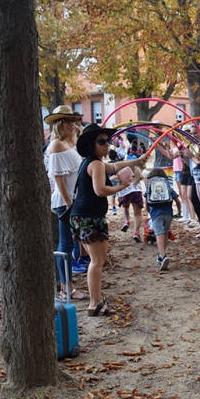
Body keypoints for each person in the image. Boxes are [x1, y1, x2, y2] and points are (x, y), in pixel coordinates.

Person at [69, 123, 146, 316]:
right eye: (101, 141)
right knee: (97, 261)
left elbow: (115, 166)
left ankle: (97, 301)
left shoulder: (93, 163)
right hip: (89, 218)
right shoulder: (94, 164)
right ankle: (95, 303)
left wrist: (137, 161)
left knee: (97, 260)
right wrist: (121, 187)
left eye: (108, 141)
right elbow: (100, 190)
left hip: (82, 217)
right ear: (91, 144)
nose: (107, 145)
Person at [45, 105, 88, 298]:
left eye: (74, 121)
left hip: (72, 200)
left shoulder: (68, 144)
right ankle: (66, 288)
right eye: (68, 121)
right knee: (66, 245)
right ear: (59, 124)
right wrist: (69, 202)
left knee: (69, 245)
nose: (73, 124)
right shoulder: (56, 145)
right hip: (65, 202)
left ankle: (67, 286)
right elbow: (58, 178)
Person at [144, 167, 178, 270]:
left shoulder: (150, 187)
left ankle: (163, 255)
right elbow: (178, 201)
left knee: (158, 234)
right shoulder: (168, 187)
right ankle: (162, 255)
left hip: (156, 214)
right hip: (168, 213)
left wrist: (150, 213)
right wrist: (179, 212)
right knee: (165, 233)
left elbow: (147, 205)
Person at [117, 165, 144, 243]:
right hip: (136, 191)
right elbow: (145, 177)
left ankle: (126, 221)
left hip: (124, 192)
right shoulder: (137, 171)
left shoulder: (122, 171)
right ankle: (136, 232)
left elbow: (115, 178)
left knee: (125, 207)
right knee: (137, 214)